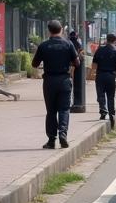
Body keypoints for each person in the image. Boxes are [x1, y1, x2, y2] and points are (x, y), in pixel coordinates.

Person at [32, 20, 80, 148]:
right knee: (64, 109)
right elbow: (77, 63)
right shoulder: (68, 44)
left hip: (49, 81)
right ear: (61, 30)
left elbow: (34, 64)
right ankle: (63, 134)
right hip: (64, 80)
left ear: (49, 31)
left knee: (51, 111)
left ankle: (51, 140)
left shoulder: (43, 46)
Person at [93, 33, 116, 128]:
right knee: (111, 96)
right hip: (111, 76)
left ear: (106, 39)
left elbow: (94, 65)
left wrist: (94, 75)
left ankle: (103, 111)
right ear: (115, 40)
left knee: (101, 94)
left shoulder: (100, 50)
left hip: (100, 75)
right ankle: (111, 114)